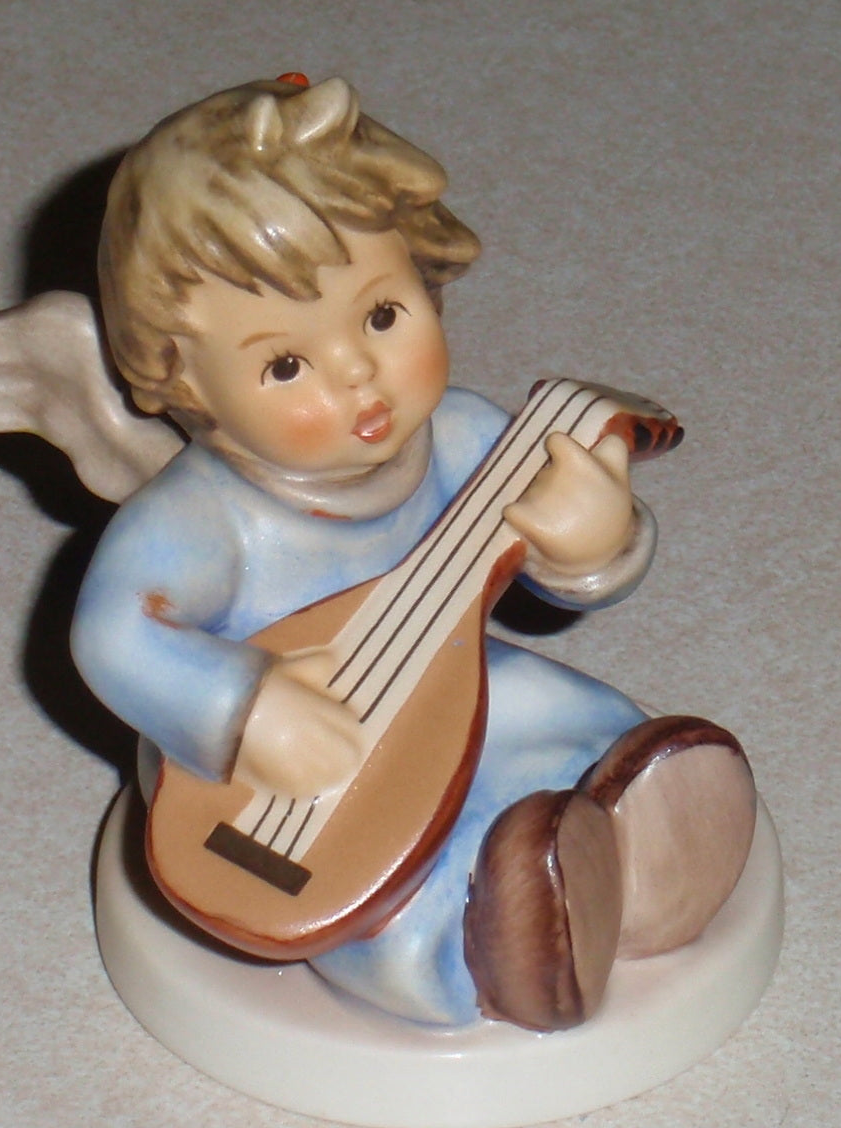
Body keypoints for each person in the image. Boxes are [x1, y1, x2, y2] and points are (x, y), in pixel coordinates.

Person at [69, 76, 757, 1031]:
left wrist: (593, 540)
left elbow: (562, 547)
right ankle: (486, 940)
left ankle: (632, 843)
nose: (358, 373)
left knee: (592, 727)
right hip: (265, 778)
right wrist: (243, 707)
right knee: (380, 902)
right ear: (182, 381)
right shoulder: (203, 518)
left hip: (445, 684)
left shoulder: (465, 436)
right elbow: (113, 635)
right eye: (284, 364)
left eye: (382, 316)